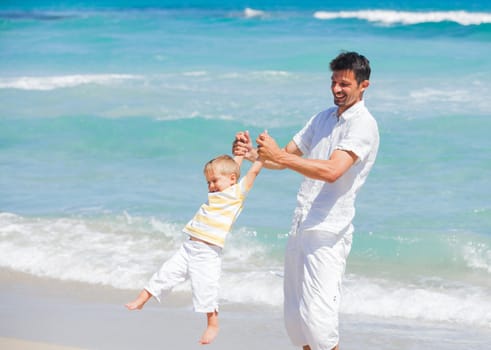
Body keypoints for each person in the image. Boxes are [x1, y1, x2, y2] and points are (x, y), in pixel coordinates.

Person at [233, 51, 379, 350]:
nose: (337, 89)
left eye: (345, 84)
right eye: (334, 82)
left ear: (364, 86)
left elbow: (333, 171)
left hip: (329, 231)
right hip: (301, 224)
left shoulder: (362, 125)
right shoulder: (322, 117)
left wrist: (280, 156)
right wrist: (251, 155)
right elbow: (283, 159)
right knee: (296, 321)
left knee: (318, 322)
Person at [126, 153, 263, 345]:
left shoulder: (237, 195)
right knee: (166, 273)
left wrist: (261, 157)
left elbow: (251, 173)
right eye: (208, 182)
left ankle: (213, 324)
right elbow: (231, 169)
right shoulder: (219, 194)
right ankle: (142, 299)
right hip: (188, 247)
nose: (211, 186)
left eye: (214, 181)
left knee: (205, 289)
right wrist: (238, 155)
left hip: (207, 253)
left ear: (233, 180)